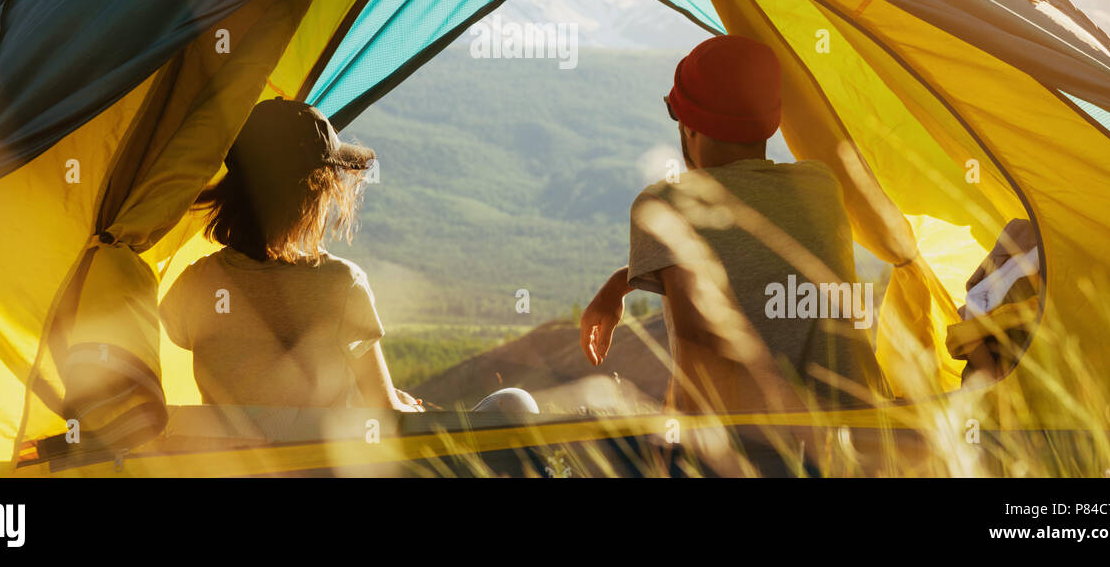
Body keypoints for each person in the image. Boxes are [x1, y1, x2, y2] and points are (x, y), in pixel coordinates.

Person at [161, 97, 536, 416]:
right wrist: (409, 407)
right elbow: (384, 412)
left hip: (230, 466)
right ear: (316, 193)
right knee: (515, 402)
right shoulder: (341, 284)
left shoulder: (195, 284)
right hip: (320, 470)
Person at [580, 35, 884, 415]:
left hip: (760, 454)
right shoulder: (820, 187)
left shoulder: (665, 206)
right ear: (771, 124)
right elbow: (754, 255)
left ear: (688, 126)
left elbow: (701, 366)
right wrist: (624, 280)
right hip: (866, 437)